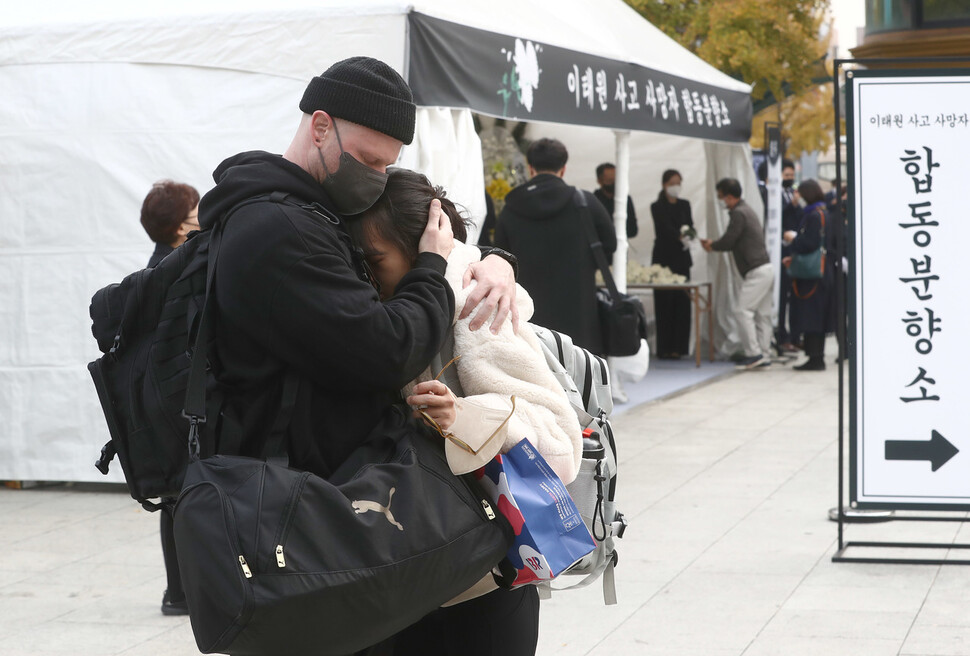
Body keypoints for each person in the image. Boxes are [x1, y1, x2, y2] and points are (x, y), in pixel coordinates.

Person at [194, 57, 518, 654]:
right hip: (310, 523)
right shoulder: (276, 229)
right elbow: (387, 350)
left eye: (388, 165)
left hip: (341, 511)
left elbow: (410, 222)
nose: (375, 176)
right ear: (320, 126)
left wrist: (492, 259)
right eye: (369, 161)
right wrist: (433, 271)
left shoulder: (313, 212)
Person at [348, 168, 584, 655]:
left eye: (375, 260)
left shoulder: (477, 308)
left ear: (421, 252)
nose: (366, 275)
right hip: (405, 568)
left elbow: (560, 444)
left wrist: (463, 416)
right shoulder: (383, 311)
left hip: (480, 579)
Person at [138, 179, 201, 616]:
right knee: (184, 495)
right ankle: (183, 593)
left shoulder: (158, 265)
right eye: (195, 208)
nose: (203, 211)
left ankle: (178, 591)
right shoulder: (178, 267)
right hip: (180, 400)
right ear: (181, 226)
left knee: (175, 498)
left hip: (164, 399)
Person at [495, 138, 617, 354]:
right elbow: (610, 245)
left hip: (530, 313)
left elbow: (500, 257)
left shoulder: (511, 208)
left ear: (531, 168)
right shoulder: (586, 202)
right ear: (563, 168)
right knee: (582, 373)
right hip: (580, 306)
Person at [701, 178, 773, 370]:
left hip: (756, 270)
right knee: (762, 315)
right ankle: (764, 354)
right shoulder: (747, 209)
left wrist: (711, 245)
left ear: (730, 197)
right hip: (765, 268)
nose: (722, 202)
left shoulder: (739, 213)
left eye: (721, 197)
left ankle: (754, 353)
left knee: (742, 311)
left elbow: (729, 240)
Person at [783, 179, 837, 371]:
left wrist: (793, 239)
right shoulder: (824, 213)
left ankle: (815, 357)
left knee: (811, 316)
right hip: (823, 271)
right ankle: (816, 356)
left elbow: (809, 243)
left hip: (813, 275)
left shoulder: (814, 216)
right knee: (817, 316)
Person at [649, 169, 694, 359]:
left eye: (679, 182)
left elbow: (691, 225)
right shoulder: (657, 206)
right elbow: (664, 227)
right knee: (664, 303)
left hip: (682, 257)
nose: (677, 186)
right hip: (664, 258)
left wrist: (689, 236)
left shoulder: (685, 204)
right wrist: (678, 235)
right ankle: (665, 347)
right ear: (665, 185)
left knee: (682, 302)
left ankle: (679, 347)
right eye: (673, 183)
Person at [140, 180, 200, 268]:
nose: (205, 217)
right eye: (198, 215)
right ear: (180, 229)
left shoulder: (169, 263)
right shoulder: (176, 271)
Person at [776, 160, 801, 353]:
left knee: (795, 296)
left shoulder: (792, 194)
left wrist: (796, 204)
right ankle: (781, 336)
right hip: (779, 250)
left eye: (792, 176)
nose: (790, 179)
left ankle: (795, 335)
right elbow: (775, 218)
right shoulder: (773, 194)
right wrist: (790, 206)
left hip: (794, 249)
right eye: (786, 176)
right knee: (782, 296)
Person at [593, 162, 638, 238]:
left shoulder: (625, 199)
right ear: (600, 181)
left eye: (617, 180)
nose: (614, 183)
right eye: (610, 180)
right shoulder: (593, 201)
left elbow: (633, 230)